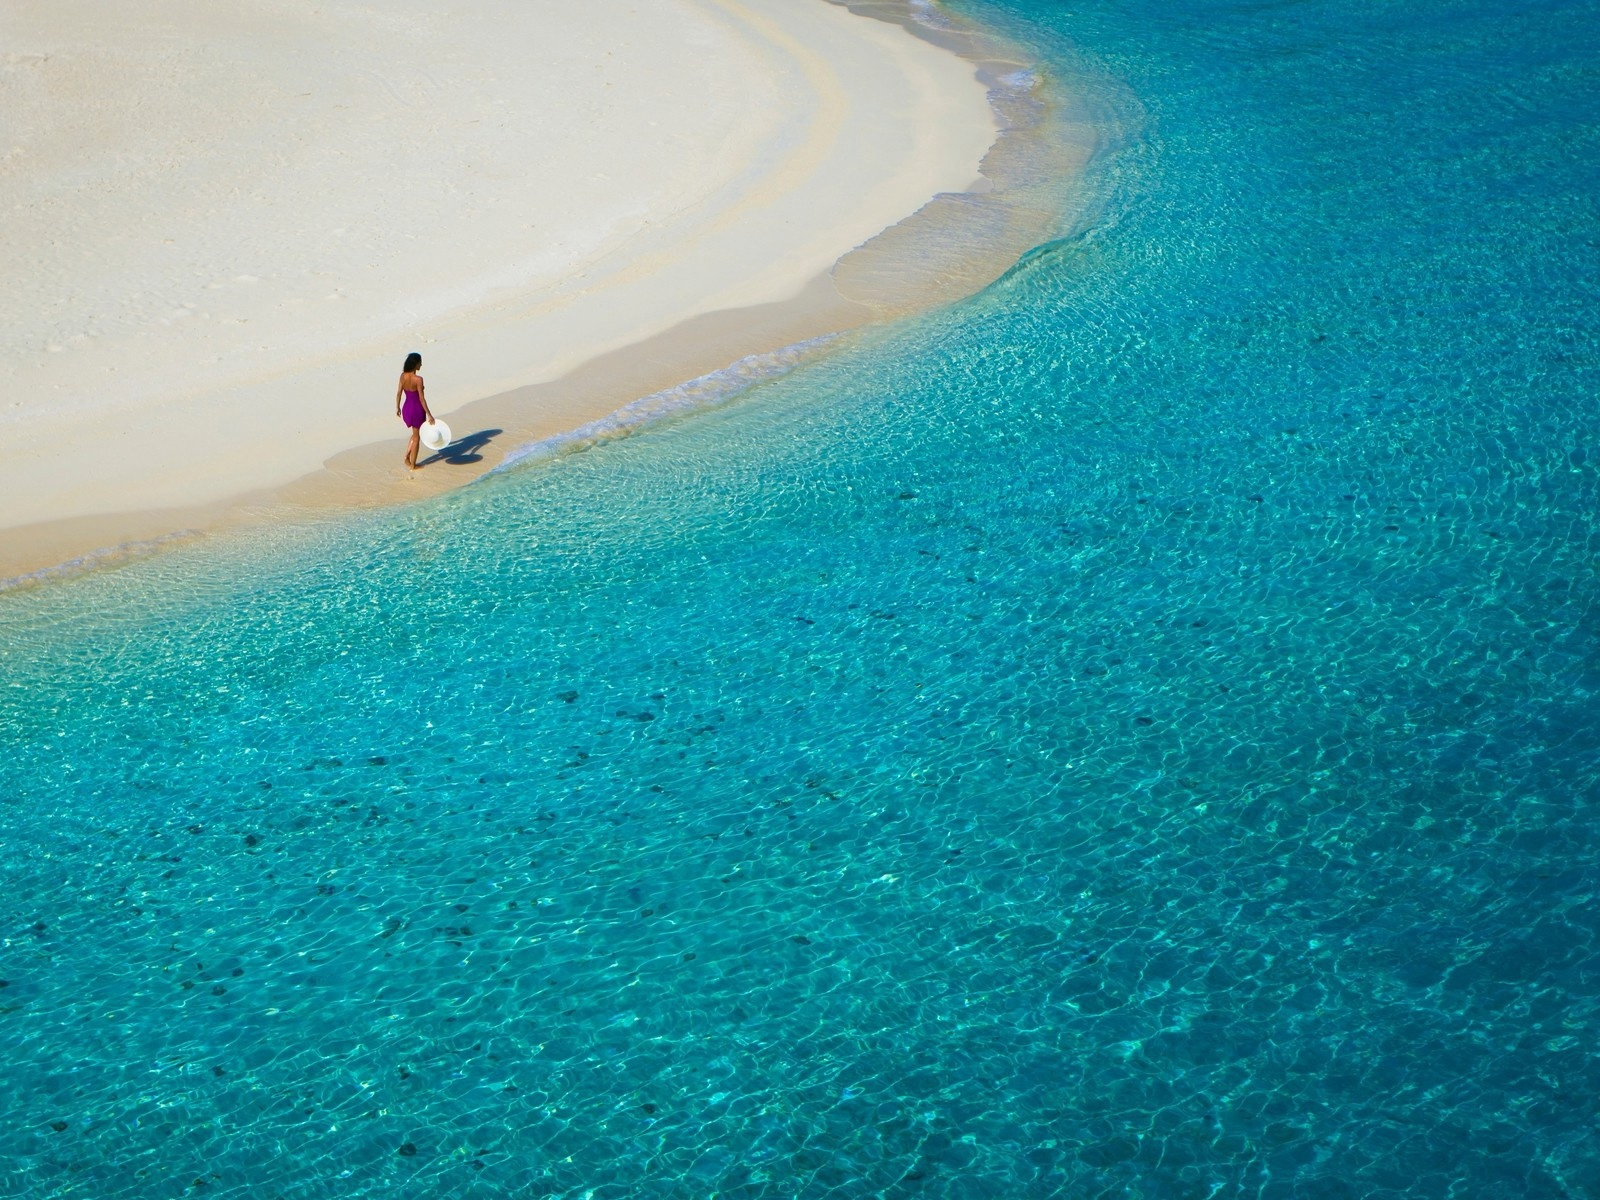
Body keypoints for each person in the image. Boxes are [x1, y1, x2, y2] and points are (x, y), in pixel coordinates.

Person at [395, 351, 436, 470]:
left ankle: (406, 456)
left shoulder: (403, 376)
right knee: (417, 437)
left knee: (414, 434)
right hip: (417, 409)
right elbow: (422, 399)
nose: (421, 365)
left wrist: (397, 407)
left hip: (407, 407)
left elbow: (399, 393)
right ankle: (413, 465)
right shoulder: (418, 379)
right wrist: (429, 415)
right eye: (420, 363)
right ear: (415, 364)